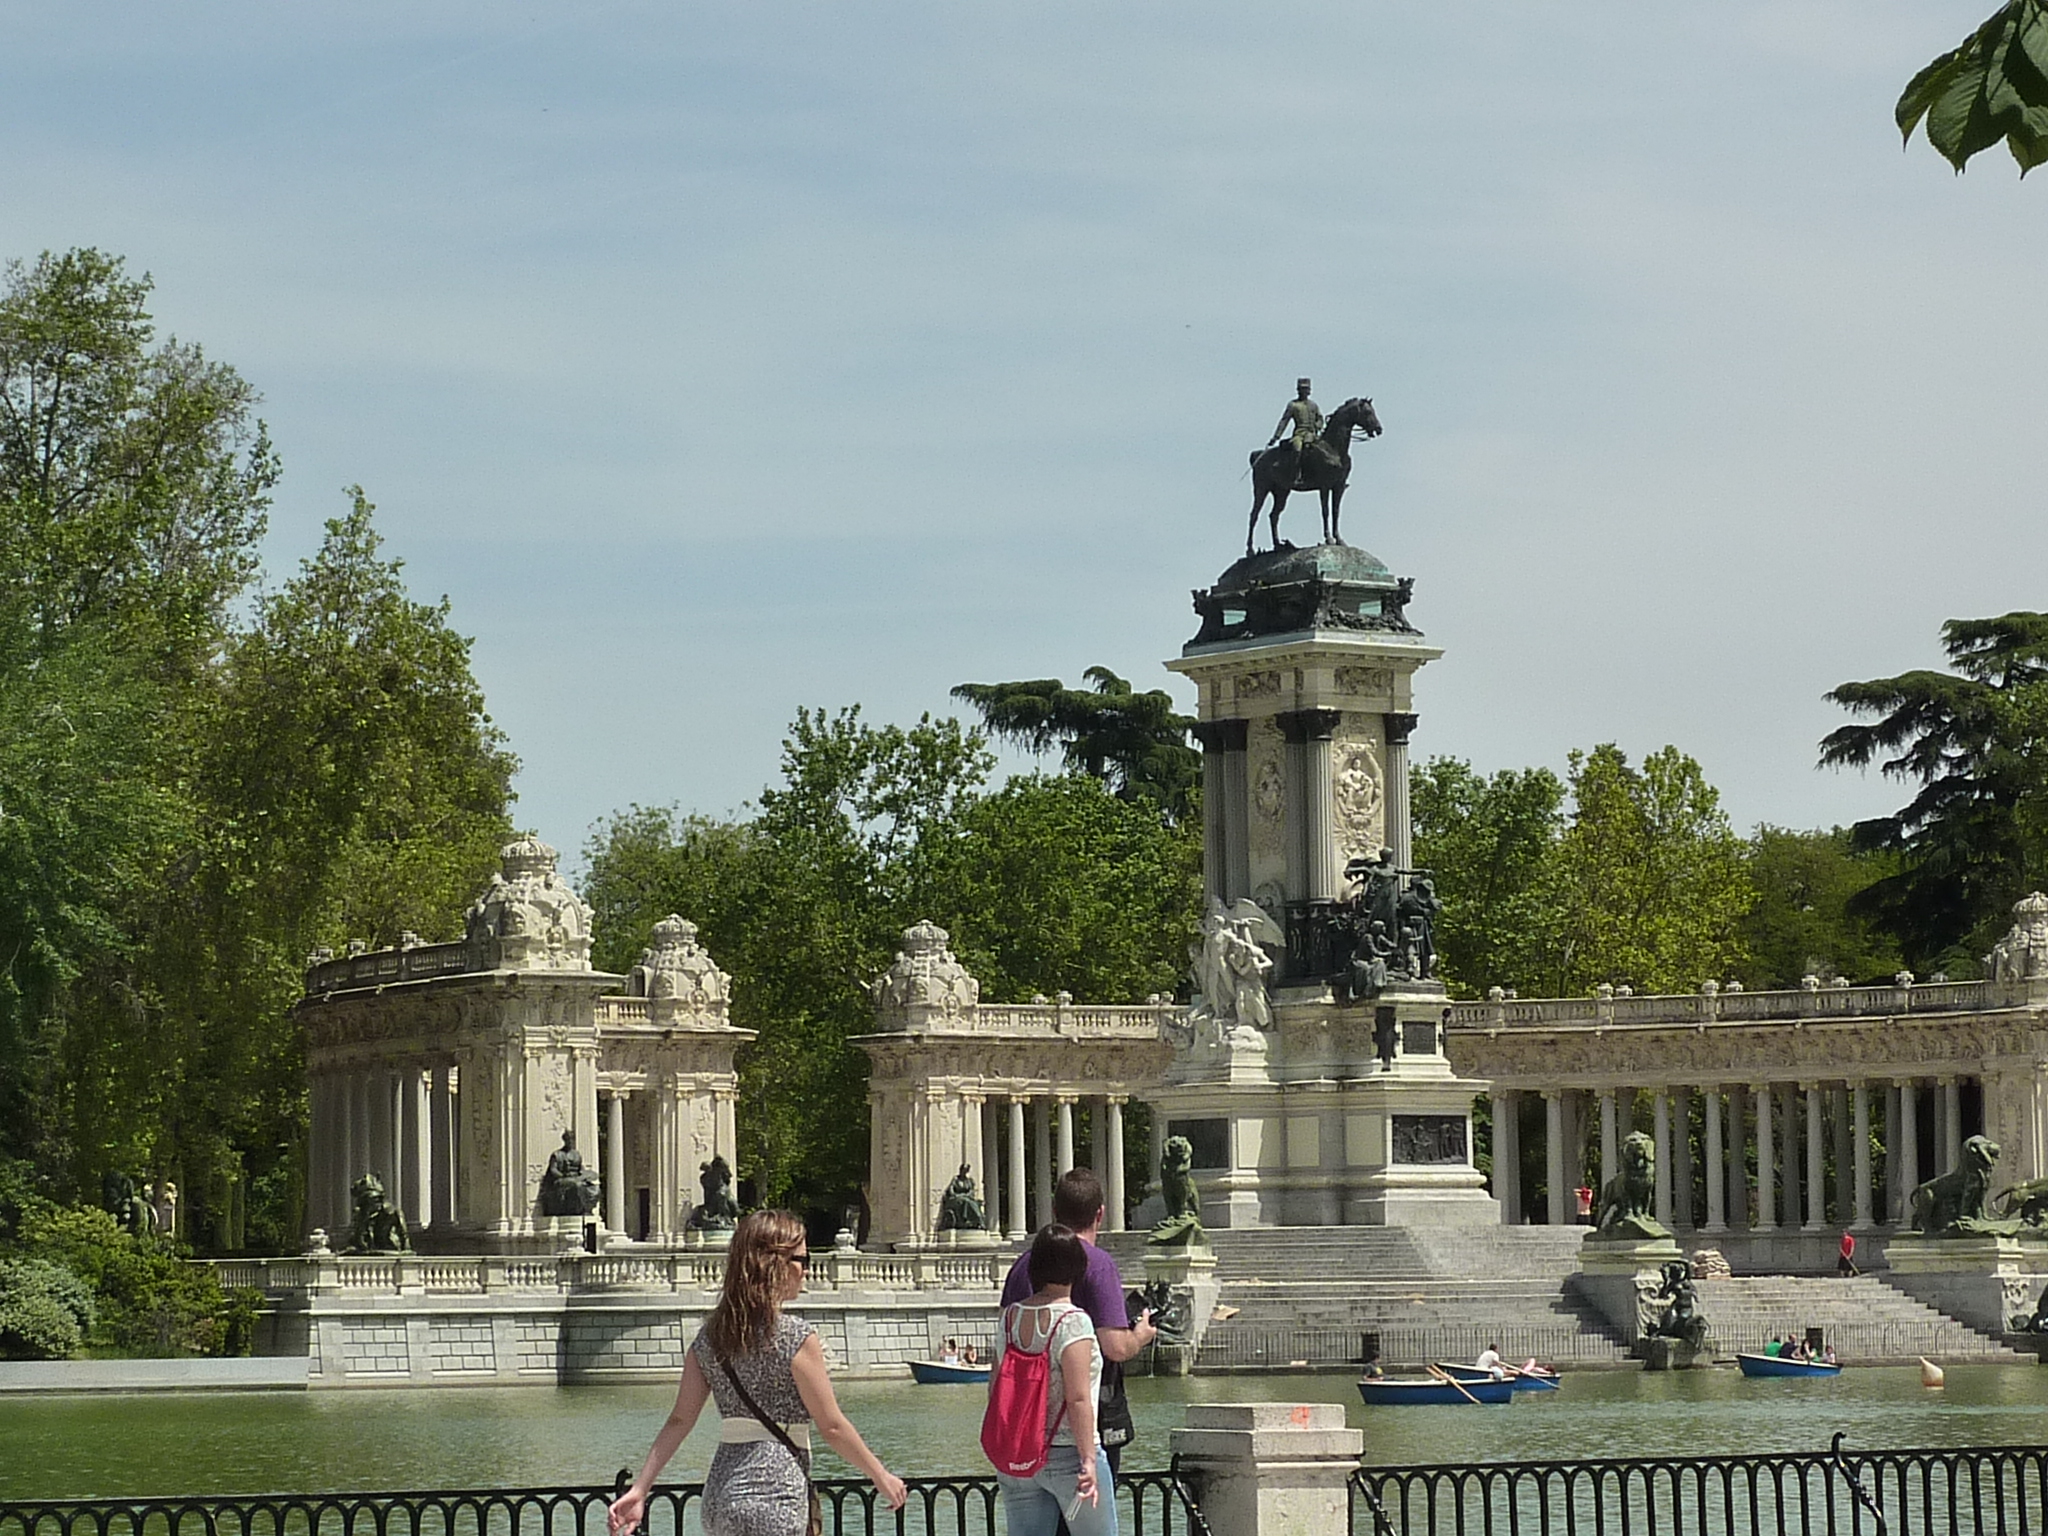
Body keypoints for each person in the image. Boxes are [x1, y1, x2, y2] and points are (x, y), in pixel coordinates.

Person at [608, 1210, 906, 1536]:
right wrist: (881, 1475)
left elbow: (680, 1420)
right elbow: (832, 1426)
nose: (806, 1270)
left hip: (719, 1494)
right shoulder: (795, 1336)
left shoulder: (709, 1339)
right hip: (774, 1491)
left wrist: (640, 1489)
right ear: (774, 1264)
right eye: (801, 1259)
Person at [1001, 1169, 1157, 1477]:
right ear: (1100, 1214)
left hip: (1026, 1423)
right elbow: (1114, 1346)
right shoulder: (1098, 1264)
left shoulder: (1022, 1264)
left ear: (1055, 1212)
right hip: (1086, 1427)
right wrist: (1140, 1335)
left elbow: (1005, 1341)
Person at [994, 1225, 1112, 1536]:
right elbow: (1077, 1398)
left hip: (1018, 1454)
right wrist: (1088, 1458)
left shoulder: (1009, 1318)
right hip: (1068, 1454)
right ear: (1078, 1268)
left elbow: (996, 1386)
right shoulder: (1074, 1322)